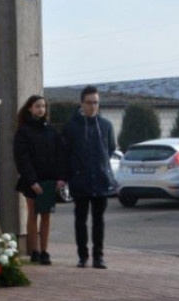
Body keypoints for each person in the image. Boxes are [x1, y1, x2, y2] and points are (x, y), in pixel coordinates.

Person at [59, 86, 117, 269]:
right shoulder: (71, 126)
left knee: (99, 221)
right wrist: (65, 176)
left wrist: (101, 166)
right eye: (89, 102)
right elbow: (64, 153)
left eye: (96, 103)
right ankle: (82, 256)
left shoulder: (106, 125)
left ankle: (98, 257)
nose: (93, 106)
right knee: (80, 220)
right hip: (80, 179)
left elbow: (110, 148)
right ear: (82, 103)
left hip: (100, 179)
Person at [13, 94, 66, 265]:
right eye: (37, 106)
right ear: (30, 108)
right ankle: (34, 251)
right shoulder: (23, 131)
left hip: (49, 180)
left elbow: (60, 154)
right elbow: (22, 158)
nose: (41, 109)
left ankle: (45, 251)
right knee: (32, 214)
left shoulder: (50, 130)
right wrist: (32, 181)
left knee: (46, 215)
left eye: (43, 106)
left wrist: (61, 178)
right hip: (32, 181)